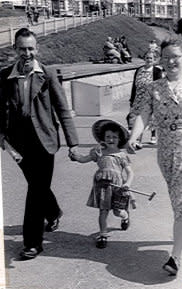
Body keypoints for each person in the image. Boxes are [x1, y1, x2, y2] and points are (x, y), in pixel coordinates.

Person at [0, 28, 79, 259]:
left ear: (37, 48)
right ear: (15, 49)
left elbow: (63, 109)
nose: (27, 53)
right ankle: (53, 212)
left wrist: (73, 143)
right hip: (19, 143)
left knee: (35, 190)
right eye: (22, 48)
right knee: (38, 185)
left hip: (45, 139)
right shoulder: (4, 76)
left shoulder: (47, 74)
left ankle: (32, 243)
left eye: (31, 48)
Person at [127, 38, 182, 275]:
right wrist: (134, 136)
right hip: (166, 151)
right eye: (165, 57)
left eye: (175, 56)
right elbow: (144, 114)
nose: (170, 61)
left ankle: (175, 258)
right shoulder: (154, 87)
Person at [70, 119, 134, 249]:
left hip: (118, 187)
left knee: (117, 211)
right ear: (103, 138)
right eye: (108, 137)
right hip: (102, 186)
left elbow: (130, 173)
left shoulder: (121, 155)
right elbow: (83, 159)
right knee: (103, 211)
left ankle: (125, 216)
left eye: (114, 137)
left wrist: (127, 183)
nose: (111, 139)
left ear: (119, 139)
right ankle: (103, 234)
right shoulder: (98, 152)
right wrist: (75, 156)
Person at [127, 50, 163, 148]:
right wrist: (132, 99)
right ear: (144, 59)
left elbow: (159, 85)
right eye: (147, 58)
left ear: (154, 60)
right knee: (137, 119)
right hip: (138, 98)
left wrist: (158, 98)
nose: (149, 60)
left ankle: (153, 136)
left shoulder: (156, 71)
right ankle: (138, 141)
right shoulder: (139, 70)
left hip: (150, 99)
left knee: (151, 119)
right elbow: (134, 85)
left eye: (151, 58)